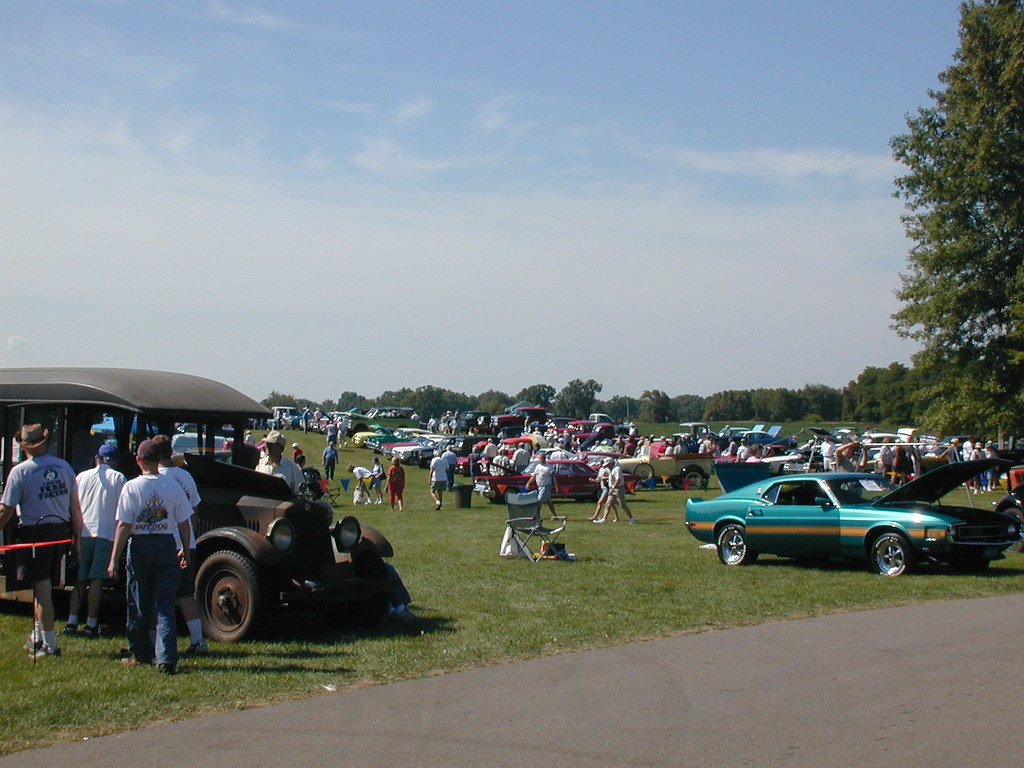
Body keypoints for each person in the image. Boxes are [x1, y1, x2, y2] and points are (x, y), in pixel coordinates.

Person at [107, 439, 192, 675]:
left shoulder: (132, 487)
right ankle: (166, 657)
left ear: (138, 460)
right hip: (166, 541)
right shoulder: (172, 485)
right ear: (159, 460)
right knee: (164, 602)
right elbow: (184, 522)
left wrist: (114, 557)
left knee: (138, 600)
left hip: (140, 542)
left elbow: (124, 524)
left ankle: (141, 652)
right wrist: (184, 548)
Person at [0, 424, 84, 658]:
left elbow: (6, 511)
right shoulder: (64, 466)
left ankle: (50, 644)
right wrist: (76, 539)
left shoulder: (21, 471)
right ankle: (37, 636)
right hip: (61, 530)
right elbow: (75, 507)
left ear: (24, 446)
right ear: (45, 442)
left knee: (42, 589)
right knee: (44, 586)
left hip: (35, 533)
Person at [153, 435, 208, 657]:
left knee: (160, 594)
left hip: (165, 540)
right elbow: (194, 510)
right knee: (185, 594)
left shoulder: (157, 479)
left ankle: (157, 644)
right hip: (188, 541)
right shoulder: (185, 476)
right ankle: (198, 640)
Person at [65, 442, 125, 638]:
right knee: (97, 580)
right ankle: (91, 623)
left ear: (97, 458)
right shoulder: (119, 478)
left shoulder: (81, 477)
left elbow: (75, 507)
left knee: (80, 581)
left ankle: (72, 621)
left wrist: (76, 537)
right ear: (115, 460)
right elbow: (121, 510)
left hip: (84, 532)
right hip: (106, 533)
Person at [256, 431, 307, 495]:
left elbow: (302, 493)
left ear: (280, 448)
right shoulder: (260, 464)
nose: (267, 446)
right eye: (267, 443)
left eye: (271, 444)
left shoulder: (291, 467)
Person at [529, 452, 556, 516]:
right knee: (548, 501)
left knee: (539, 500)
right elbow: (534, 476)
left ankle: (536, 515)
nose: (542, 460)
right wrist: (528, 483)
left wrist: (556, 486)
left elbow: (554, 477)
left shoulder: (549, 467)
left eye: (543, 458)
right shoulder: (538, 466)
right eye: (540, 458)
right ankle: (555, 515)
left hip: (546, 486)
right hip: (540, 486)